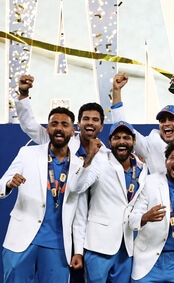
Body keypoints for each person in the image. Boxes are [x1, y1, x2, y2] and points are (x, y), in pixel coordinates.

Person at [0, 107, 84, 282]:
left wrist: (78, 251)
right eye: (54, 124)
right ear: (47, 129)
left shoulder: (80, 166)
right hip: (22, 240)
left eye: (64, 124)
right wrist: (8, 183)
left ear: (72, 130)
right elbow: (2, 183)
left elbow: (80, 214)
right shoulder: (27, 153)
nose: (59, 128)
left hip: (59, 245)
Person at [69, 121, 148, 282]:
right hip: (98, 246)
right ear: (110, 141)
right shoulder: (99, 160)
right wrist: (90, 156)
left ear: (134, 141)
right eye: (116, 137)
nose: (121, 141)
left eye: (126, 137)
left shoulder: (141, 166)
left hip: (126, 248)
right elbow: (76, 187)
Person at [129, 140, 174, 282]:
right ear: (166, 161)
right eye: (173, 158)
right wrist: (145, 217)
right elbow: (132, 220)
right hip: (148, 260)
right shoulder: (150, 182)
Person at [111, 72, 174, 177]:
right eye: (162, 120)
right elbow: (122, 127)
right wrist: (116, 91)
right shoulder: (151, 145)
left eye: (172, 119)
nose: (166, 123)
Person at [16, 74, 106, 159]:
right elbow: (29, 125)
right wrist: (23, 94)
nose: (90, 122)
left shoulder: (106, 155)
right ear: (78, 125)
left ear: (101, 127)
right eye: (86, 119)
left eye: (95, 119)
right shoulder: (60, 140)